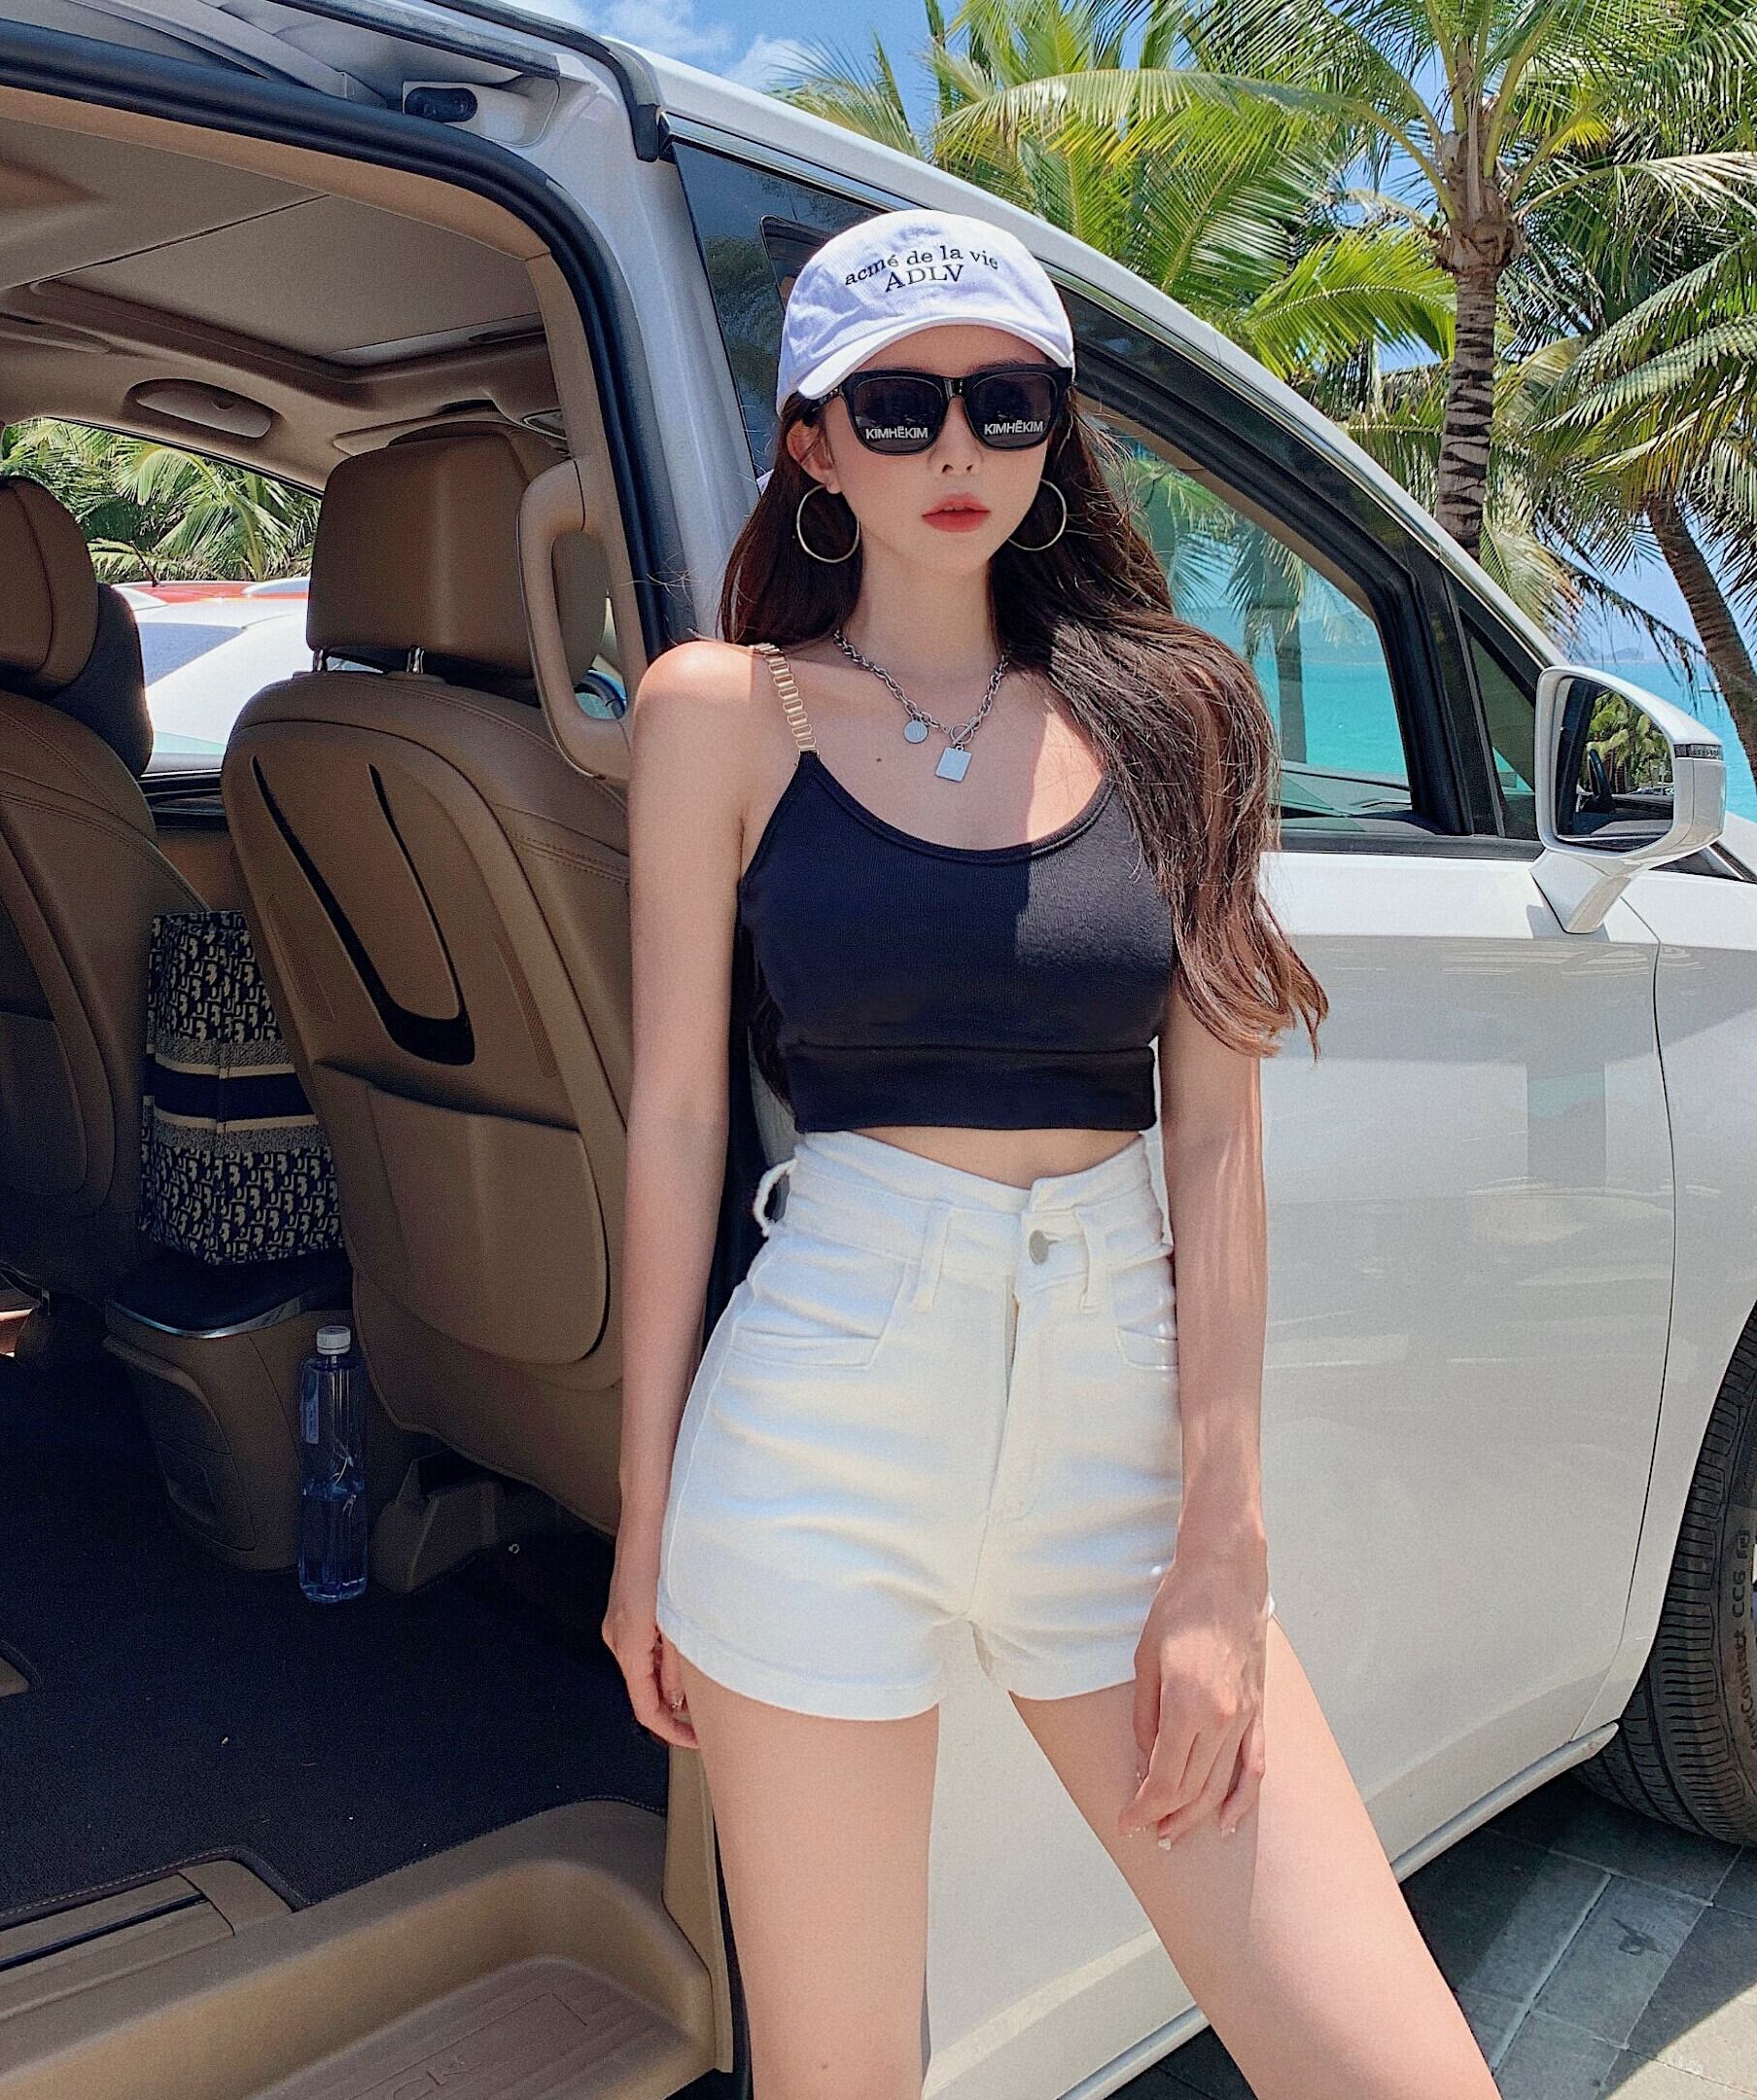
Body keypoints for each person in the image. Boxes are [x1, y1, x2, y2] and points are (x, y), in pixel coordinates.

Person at [603, 206, 1499, 2099]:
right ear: (813, 443)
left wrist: (1222, 1551)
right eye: (900, 407)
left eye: (1006, 403)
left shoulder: (1182, 714)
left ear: (1053, 429)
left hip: (1115, 1435)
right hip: (817, 1423)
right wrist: (644, 1516)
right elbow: (675, 1116)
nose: (958, 447)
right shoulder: (721, 713)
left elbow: (1219, 1149)